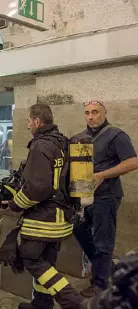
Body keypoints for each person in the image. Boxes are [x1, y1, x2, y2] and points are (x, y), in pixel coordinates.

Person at [1, 104, 84, 309]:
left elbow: (37, 188)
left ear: (37, 121)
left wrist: (14, 204)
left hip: (43, 220)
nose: (28, 126)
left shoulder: (40, 145)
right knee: (48, 261)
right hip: (62, 218)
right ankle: (41, 304)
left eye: (29, 121)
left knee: (32, 259)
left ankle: (75, 302)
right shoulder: (64, 143)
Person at [73, 100, 137, 297]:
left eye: (95, 112)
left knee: (103, 242)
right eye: (87, 113)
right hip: (83, 196)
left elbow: (133, 161)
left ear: (104, 113)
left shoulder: (115, 135)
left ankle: (101, 286)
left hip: (106, 196)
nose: (91, 116)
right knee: (78, 229)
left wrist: (102, 175)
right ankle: (109, 272)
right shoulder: (80, 137)